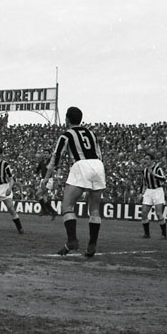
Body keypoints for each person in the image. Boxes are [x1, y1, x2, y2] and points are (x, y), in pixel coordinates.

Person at [40, 106, 105, 257]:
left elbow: (56, 157)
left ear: (67, 119)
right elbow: (99, 154)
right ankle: (92, 244)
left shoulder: (67, 135)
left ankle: (71, 241)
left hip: (81, 165)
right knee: (94, 209)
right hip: (98, 165)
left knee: (67, 206)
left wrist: (46, 178)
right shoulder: (92, 134)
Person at [139, 150, 167, 239]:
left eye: (147, 159)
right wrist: (141, 193)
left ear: (152, 160)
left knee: (158, 214)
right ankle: (147, 234)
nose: (146, 160)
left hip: (158, 191)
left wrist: (153, 174)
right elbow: (143, 183)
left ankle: (164, 234)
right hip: (149, 191)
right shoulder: (144, 170)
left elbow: (164, 178)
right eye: (145, 159)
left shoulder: (158, 168)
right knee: (143, 213)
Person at [35, 148, 57, 220]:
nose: (45, 154)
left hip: (48, 180)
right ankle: (53, 211)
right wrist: (36, 172)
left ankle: (45, 210)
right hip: (42, 180)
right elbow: (37, 169)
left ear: (50, 154)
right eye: (44, 153)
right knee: (44, 198)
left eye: (47, 153)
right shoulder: (41, 162)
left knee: (38, 194)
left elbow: (54, 168)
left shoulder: (51, 162)